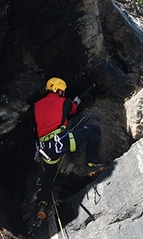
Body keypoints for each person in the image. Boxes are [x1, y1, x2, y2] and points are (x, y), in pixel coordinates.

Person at [34, 77, 106, 221]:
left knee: (49, 175)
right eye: (62, 90)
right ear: (59, 90)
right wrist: (75, 102)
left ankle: (42, 204)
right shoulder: (65, 102)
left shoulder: (37, 105)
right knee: (94, 130)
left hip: (45, 150)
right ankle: (91, 165)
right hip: (62, 143)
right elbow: (72, 109)